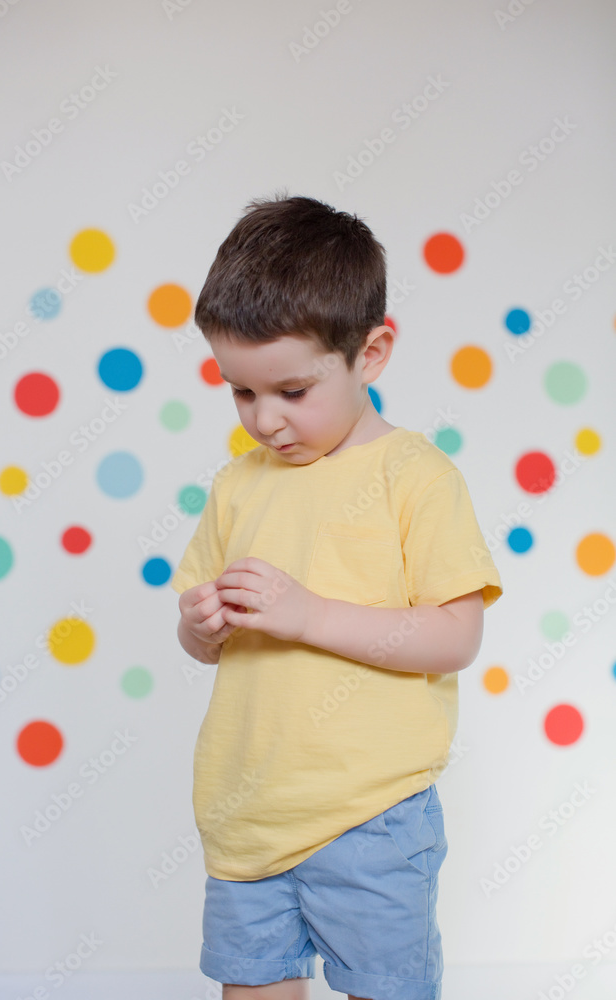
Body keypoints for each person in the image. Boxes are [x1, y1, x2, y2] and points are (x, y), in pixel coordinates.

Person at [171, 192, 503, 1000]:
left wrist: (309, 615)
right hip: (248, 812)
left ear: (371, 353)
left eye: (291, 391)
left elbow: (455, 636)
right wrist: (200, 626)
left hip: (371, 815)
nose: (264, 420)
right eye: (240, 392)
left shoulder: (414, 477)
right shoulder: (237, 485)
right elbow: (202, 642)